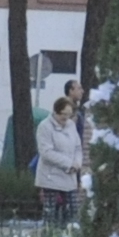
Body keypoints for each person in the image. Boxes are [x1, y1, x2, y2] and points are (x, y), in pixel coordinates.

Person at [34, 95, 85, 227]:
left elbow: (78, 147)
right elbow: (46, 152)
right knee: (50, 213)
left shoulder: (71, 126)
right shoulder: (44, 127)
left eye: (69, 114)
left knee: (73, 210)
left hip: (70, 176)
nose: (66, 118)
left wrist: (77, 163)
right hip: (51, 177)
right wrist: (68, 163)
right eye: (63, 114)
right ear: (56, 111)